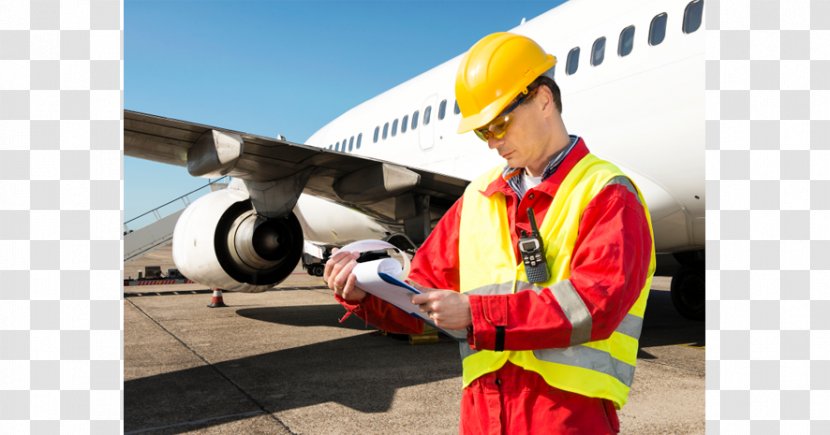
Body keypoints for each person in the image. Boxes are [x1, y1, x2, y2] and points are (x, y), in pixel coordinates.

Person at [324, 32, 655, 435]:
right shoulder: (478, 197)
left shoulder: (607, 192)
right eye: (483, 132)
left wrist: (476, 313)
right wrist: (365, 295)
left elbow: (595, 306)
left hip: (567, 417)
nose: (493, 142)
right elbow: (421, 298)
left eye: (499, 123)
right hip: (484, 414)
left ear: (544, 99)